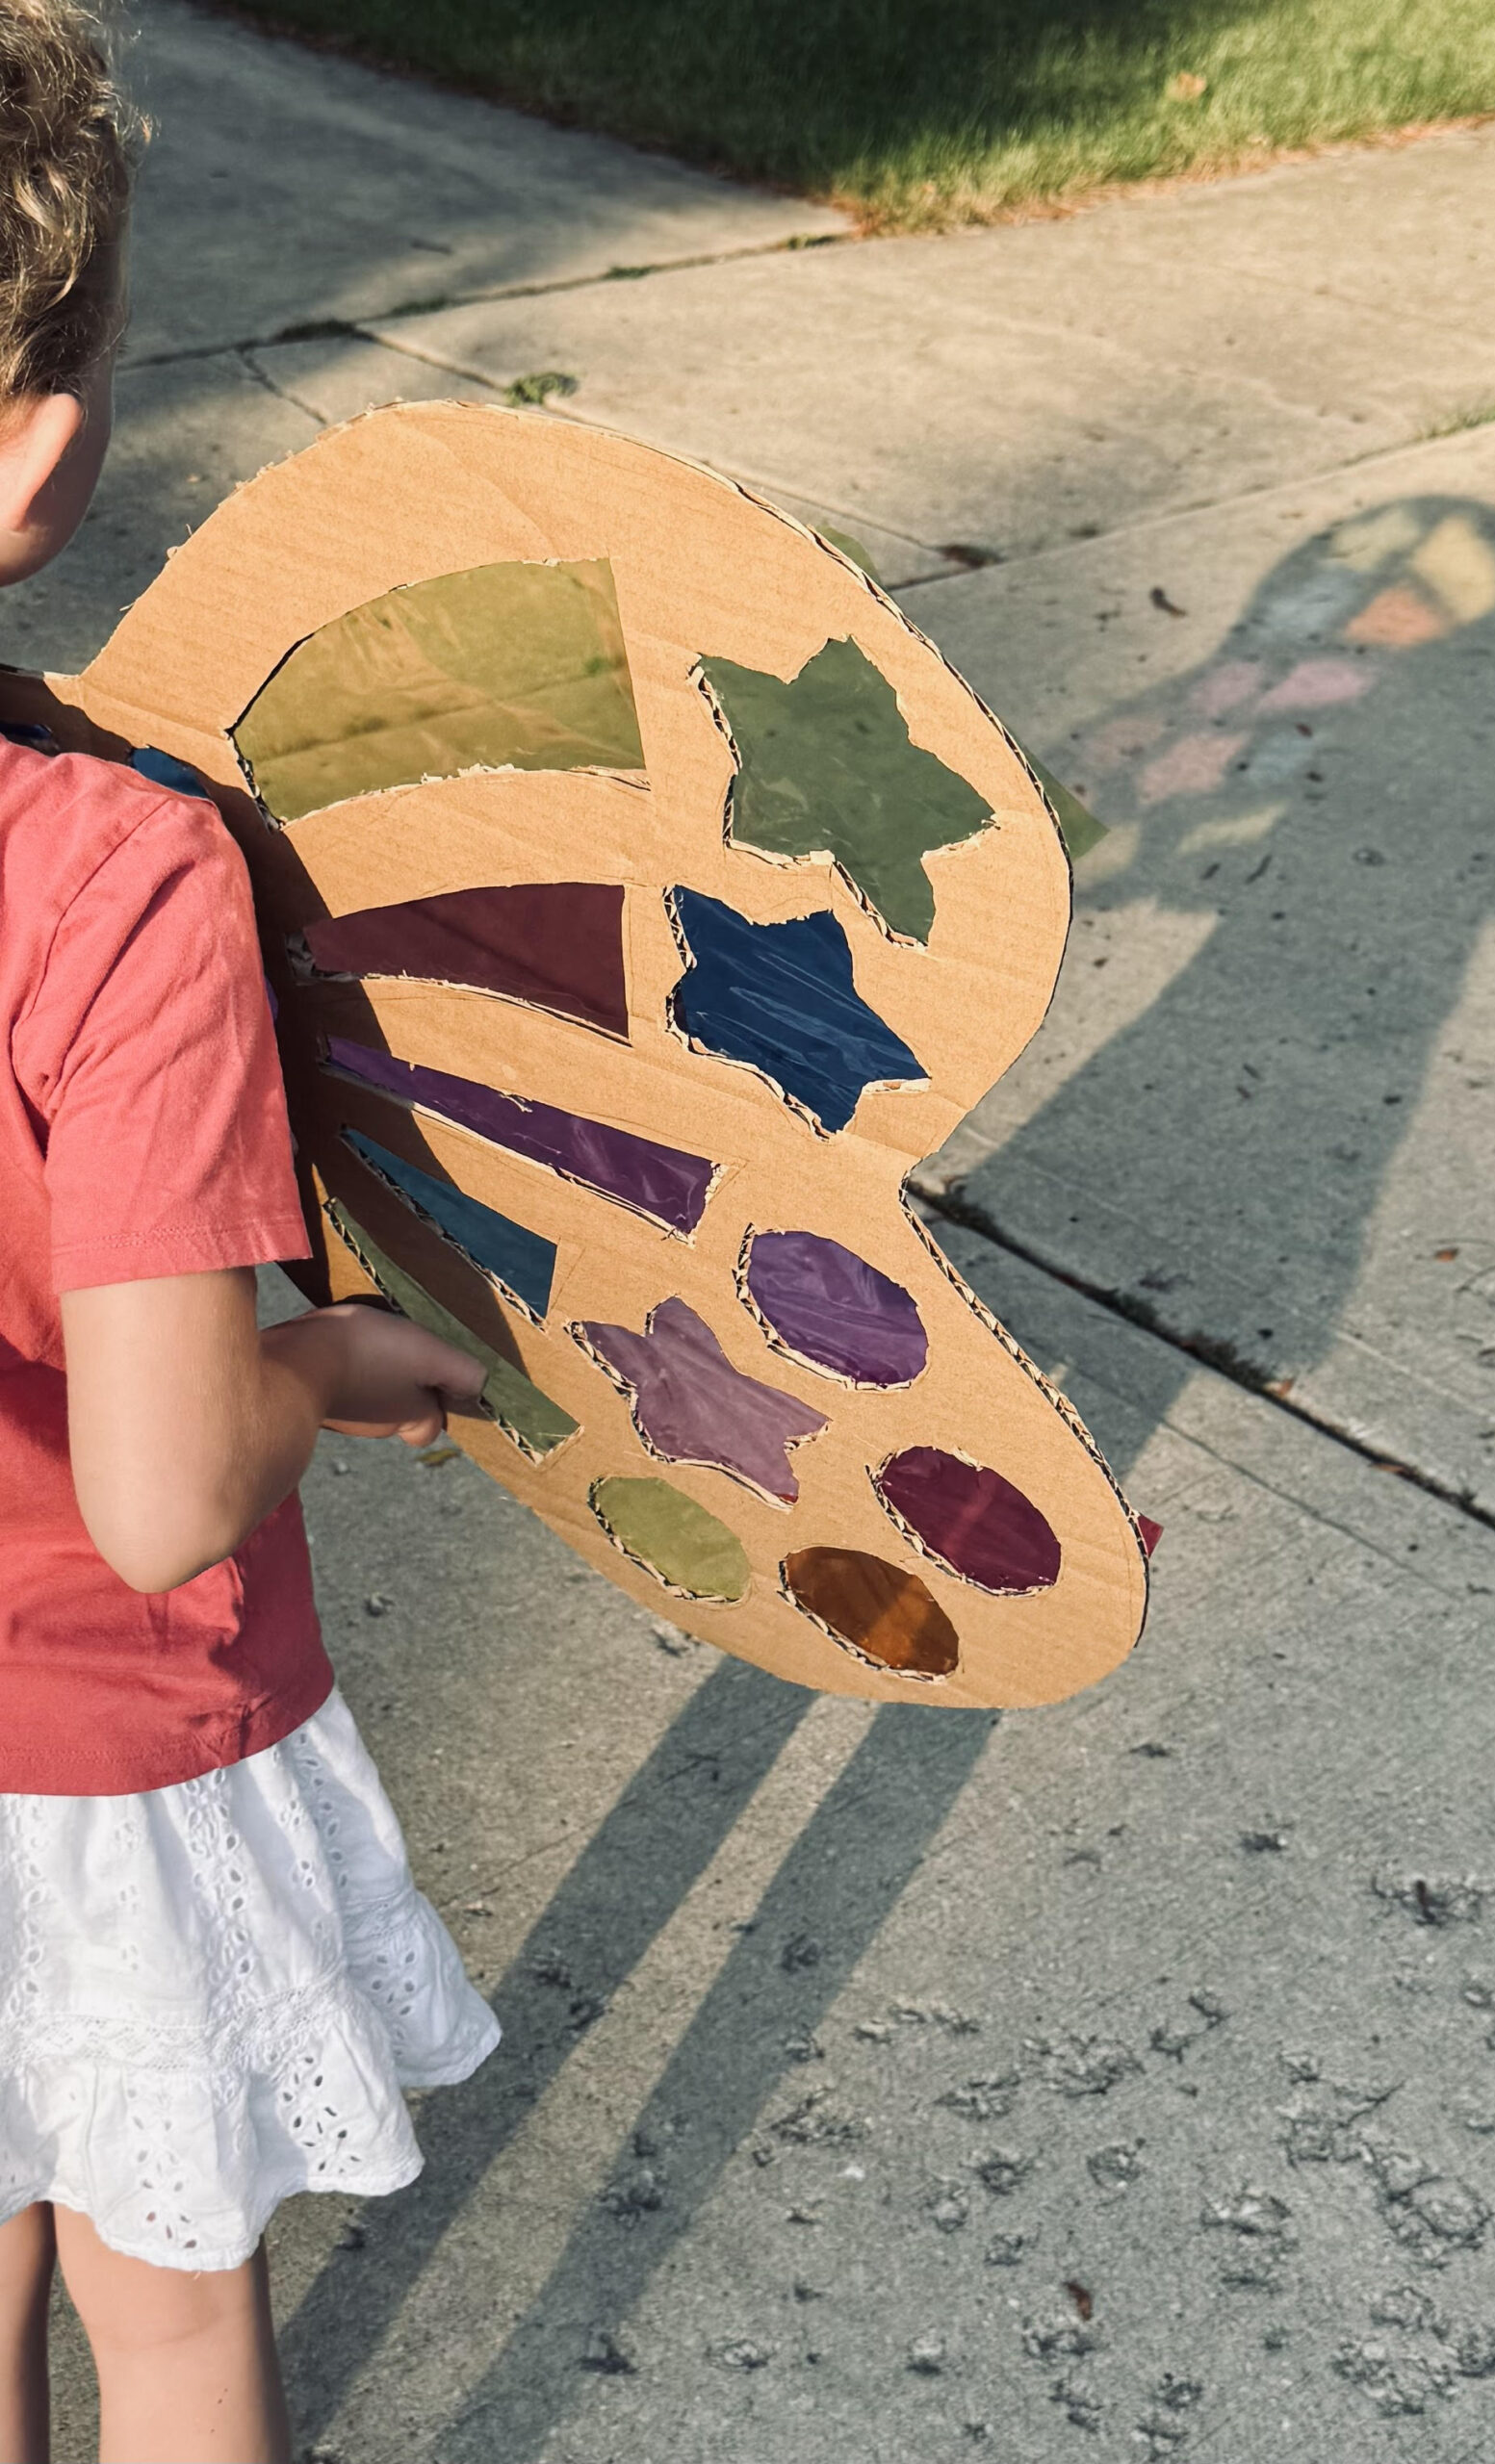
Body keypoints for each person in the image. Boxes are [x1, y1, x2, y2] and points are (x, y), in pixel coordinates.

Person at [0, 8, 500, 2456]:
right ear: (31, 444)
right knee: (165, 2306)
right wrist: (339, 1365)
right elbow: (164, 1485)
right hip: (89, 1751)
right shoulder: (106, 872)